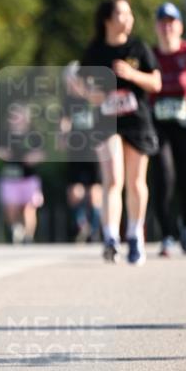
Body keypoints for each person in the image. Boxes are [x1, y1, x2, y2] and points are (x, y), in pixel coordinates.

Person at [80, 0, 161, 265]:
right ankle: (111, 238)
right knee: (113, 179)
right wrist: (92, 94)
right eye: (122, 14)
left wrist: (131, 74)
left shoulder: (139, 48)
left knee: (137, 181)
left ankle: (135, 235)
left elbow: (156, 83)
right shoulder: (94, 51)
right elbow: (81, 85)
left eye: (130, 14)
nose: (129, 19)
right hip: (106, 122)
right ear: (108, 20)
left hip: (137, 122)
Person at [149, 2, 186, 257]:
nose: (167, 27)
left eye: (171, 22)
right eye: (162, 22)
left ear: (180, 26)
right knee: (163, 176)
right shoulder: (150, 56)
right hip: (158, 124)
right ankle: (166, 234)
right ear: (156, 27)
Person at [61, 62, 102, 243]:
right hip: (76, 151)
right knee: (75, 192)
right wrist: (62, 136)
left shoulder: (94, 97)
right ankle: (80, 224)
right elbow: (64, 121)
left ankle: (94, 231)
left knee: (94, 194)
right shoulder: (68, 101)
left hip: (95, 151)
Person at [0, 102, 45, 244]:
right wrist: (2, 153)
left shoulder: (34, 135)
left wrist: (34, 158)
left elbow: (43, 154)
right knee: (10, 208)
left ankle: (28, 237)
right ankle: (16, 228)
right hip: (10, 177)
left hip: (29, 177)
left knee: (29, 208)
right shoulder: (4, 134)